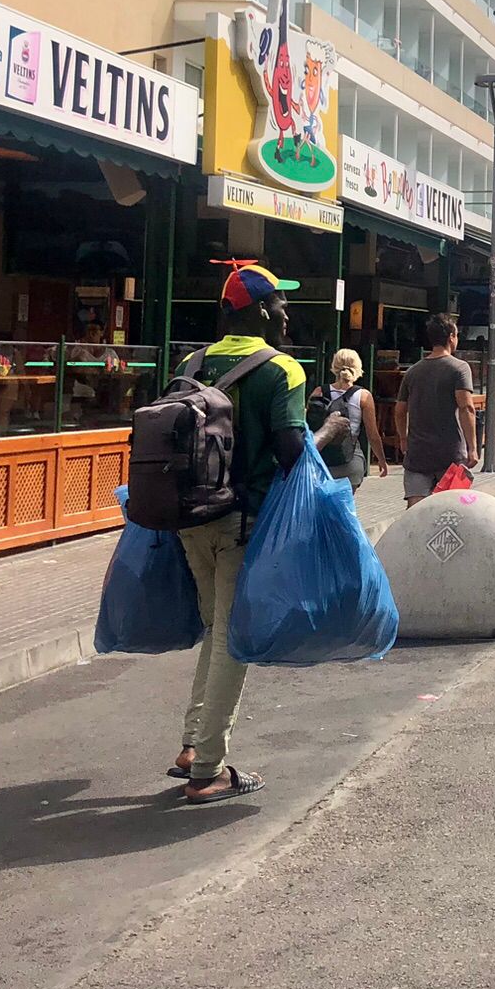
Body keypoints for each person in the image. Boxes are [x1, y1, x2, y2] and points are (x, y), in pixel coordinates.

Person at [169, 262, 308, 804]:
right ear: (260, 311)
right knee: (232, 640)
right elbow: (292, 453)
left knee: (215, 627)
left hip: (187, 520)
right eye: (279, 303)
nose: (286, 311)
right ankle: (207, 770)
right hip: (240, 522)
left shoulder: (192, 361)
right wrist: (333, 430)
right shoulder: (282, 370)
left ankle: (191, 745)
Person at [397, 313, 481, 502]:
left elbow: (400, 409)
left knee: (416, 511)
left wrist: (403, 439)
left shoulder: (412, 371)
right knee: (449, 509)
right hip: (450, 453)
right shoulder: (459, 368)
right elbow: (466, 407)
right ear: (451, 336)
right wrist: (472, 448)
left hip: (417, 453)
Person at [309, 349, 389, 486]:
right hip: (350, 460)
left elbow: (309, 425)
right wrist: (382, 460)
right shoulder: (363, 396)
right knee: (345, 504)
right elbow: (372, 434)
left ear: (334, 367)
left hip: (323, 461)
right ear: (358, 368)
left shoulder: (319, 392)